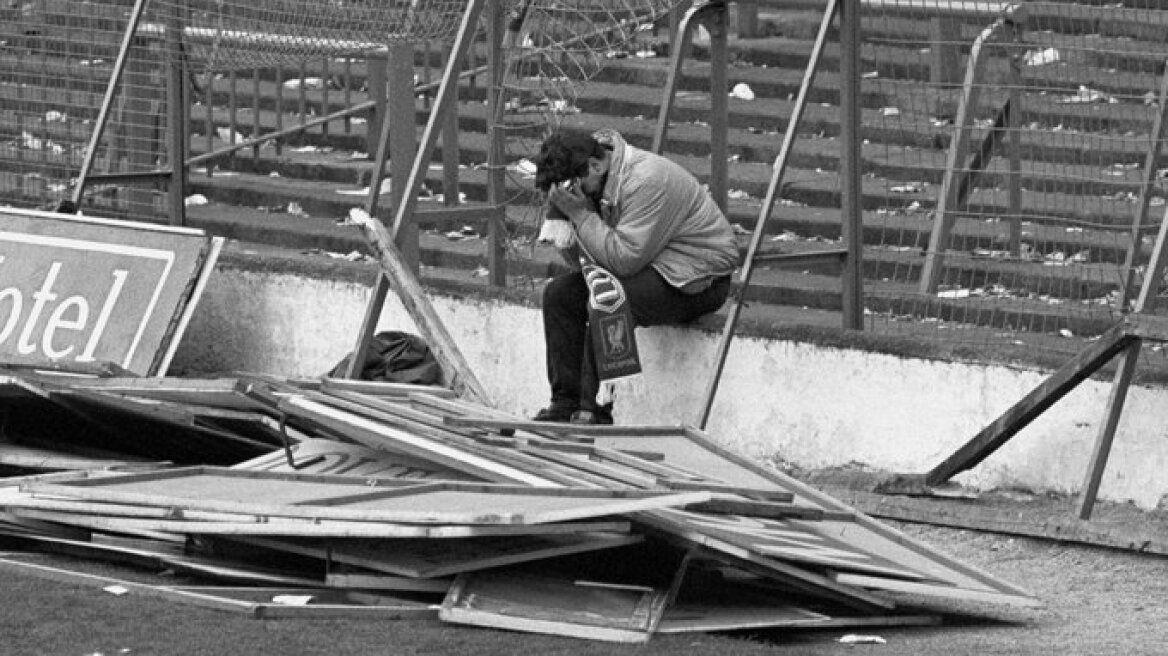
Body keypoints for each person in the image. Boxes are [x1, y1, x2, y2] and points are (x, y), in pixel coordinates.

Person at [531, 129, 740, 425]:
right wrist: (565, 218)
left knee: (609, 298)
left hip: (696, 279)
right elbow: (585, 264)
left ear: (595, 165)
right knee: (560, 295)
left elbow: (623, 260)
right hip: (647, 265)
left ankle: (594, 411)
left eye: (571, 186)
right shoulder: (593, 184)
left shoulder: (647, 180)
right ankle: (565, 404)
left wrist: (580, 215)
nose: (569, 195)